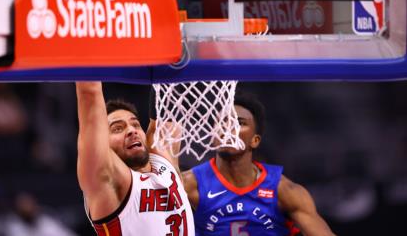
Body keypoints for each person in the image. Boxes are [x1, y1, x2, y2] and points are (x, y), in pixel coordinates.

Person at [182, 91, 335, 236]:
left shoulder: (284, 190)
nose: (229, 128)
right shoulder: (190, 183)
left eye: (240, 123)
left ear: (255, 141)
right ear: (212, 135)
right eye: (223, 122)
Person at [76, 82, 194, 236]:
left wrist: (168, 62)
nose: (131, 131)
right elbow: (89, 94)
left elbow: (168, 89)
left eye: (136, 124)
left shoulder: (164, 162)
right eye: (118, 128)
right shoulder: (107, 180)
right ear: (103, 142)